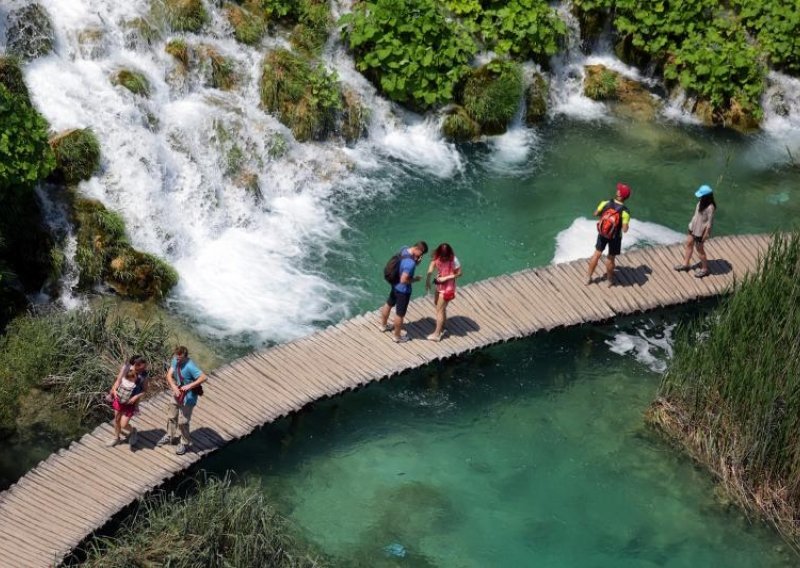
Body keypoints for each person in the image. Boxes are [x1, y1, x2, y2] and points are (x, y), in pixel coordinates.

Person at [156, 346, 207, 455]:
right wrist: (174, 387)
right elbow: (169, 375)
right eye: (176, 357)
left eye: (180, 358)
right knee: (171, 415)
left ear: (185, 356)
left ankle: (184, 443)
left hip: (189, 398)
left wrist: (189, 386)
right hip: (178, 393)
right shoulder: (175, 360)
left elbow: (203, 377)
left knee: (183, 422)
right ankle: (170, 435)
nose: (177, 360)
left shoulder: (190, 366)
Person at [379, 241, 428, 343]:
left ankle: (383, 326)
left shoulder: (404, 248)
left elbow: (402, 264)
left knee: (389, 303)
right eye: (422, 254)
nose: (421, 256)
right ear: (419, 250)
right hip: (403, 290)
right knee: (400, 314)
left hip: (394, 284)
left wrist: (416, 262)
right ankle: (397, 337)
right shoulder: (410, 264)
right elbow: (404, 280)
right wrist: (415, 279)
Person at [586, 182, 631, 286]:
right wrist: (626, 224)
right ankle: (609, 280)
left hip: (603, 233)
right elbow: (624, 230)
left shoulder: (605, 203)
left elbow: (595, 213)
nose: (617, 190)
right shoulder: (625, 212)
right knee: (610, 258)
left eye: (619, 190)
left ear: (620, 194)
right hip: (615, 237)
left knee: (596, 254)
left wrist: (605, 218)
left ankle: (588, 277)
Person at [674, 184, 716, 278]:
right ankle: (686, 264)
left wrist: (705, 235)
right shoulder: (700, 202)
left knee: (700, 250)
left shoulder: (710, 207)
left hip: (700, 232)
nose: (700, 197)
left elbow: (709, 224)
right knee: (689, 243)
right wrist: (690, 226)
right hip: (693, 228)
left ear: (706, 196)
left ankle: (705, 269)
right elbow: (696, 216)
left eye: (701, 195)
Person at [108, 355, 149, 447]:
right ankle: (116, 438)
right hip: (119, 398)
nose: (144, 370)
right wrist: (114, 391)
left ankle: (133, 431)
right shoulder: (126, 368)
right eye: (142, 367)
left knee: (123, 424)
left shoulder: (144, 375)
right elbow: (118, 381)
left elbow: (145, 390)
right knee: (117, 420)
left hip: (131, 402)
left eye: (144, 367)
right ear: (135, 365)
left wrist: (135, 397)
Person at [425, 243, 462, 341]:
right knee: (437, 304)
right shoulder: (437, 256)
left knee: (439, 310)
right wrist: (428, 280)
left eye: (446, 256)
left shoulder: (454, 259)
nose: (444, 258)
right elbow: (432, 266)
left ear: (449, 254)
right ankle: (443, 324)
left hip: (448, 287)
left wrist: (446, 277)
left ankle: (437, 334)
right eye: (442, 256)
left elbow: (459, 273)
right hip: (439, 285)